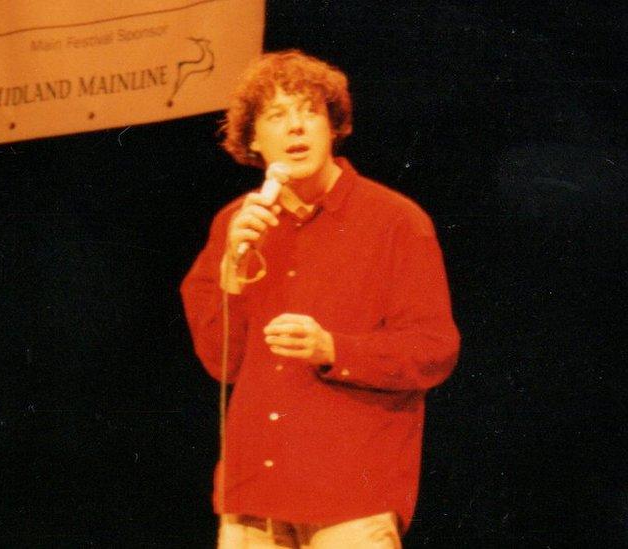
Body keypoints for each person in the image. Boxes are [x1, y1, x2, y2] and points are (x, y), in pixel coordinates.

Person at [180, 50, 460, 548]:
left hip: (349, 494)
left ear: (333, 127)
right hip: (254, 497)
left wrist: (334, 349)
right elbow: (221, 363)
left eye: (309, 112)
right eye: (277, 116)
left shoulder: (395, 221)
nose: (296, 129)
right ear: (252, 140)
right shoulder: (234, 224)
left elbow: (434, 349)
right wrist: (230, 275)